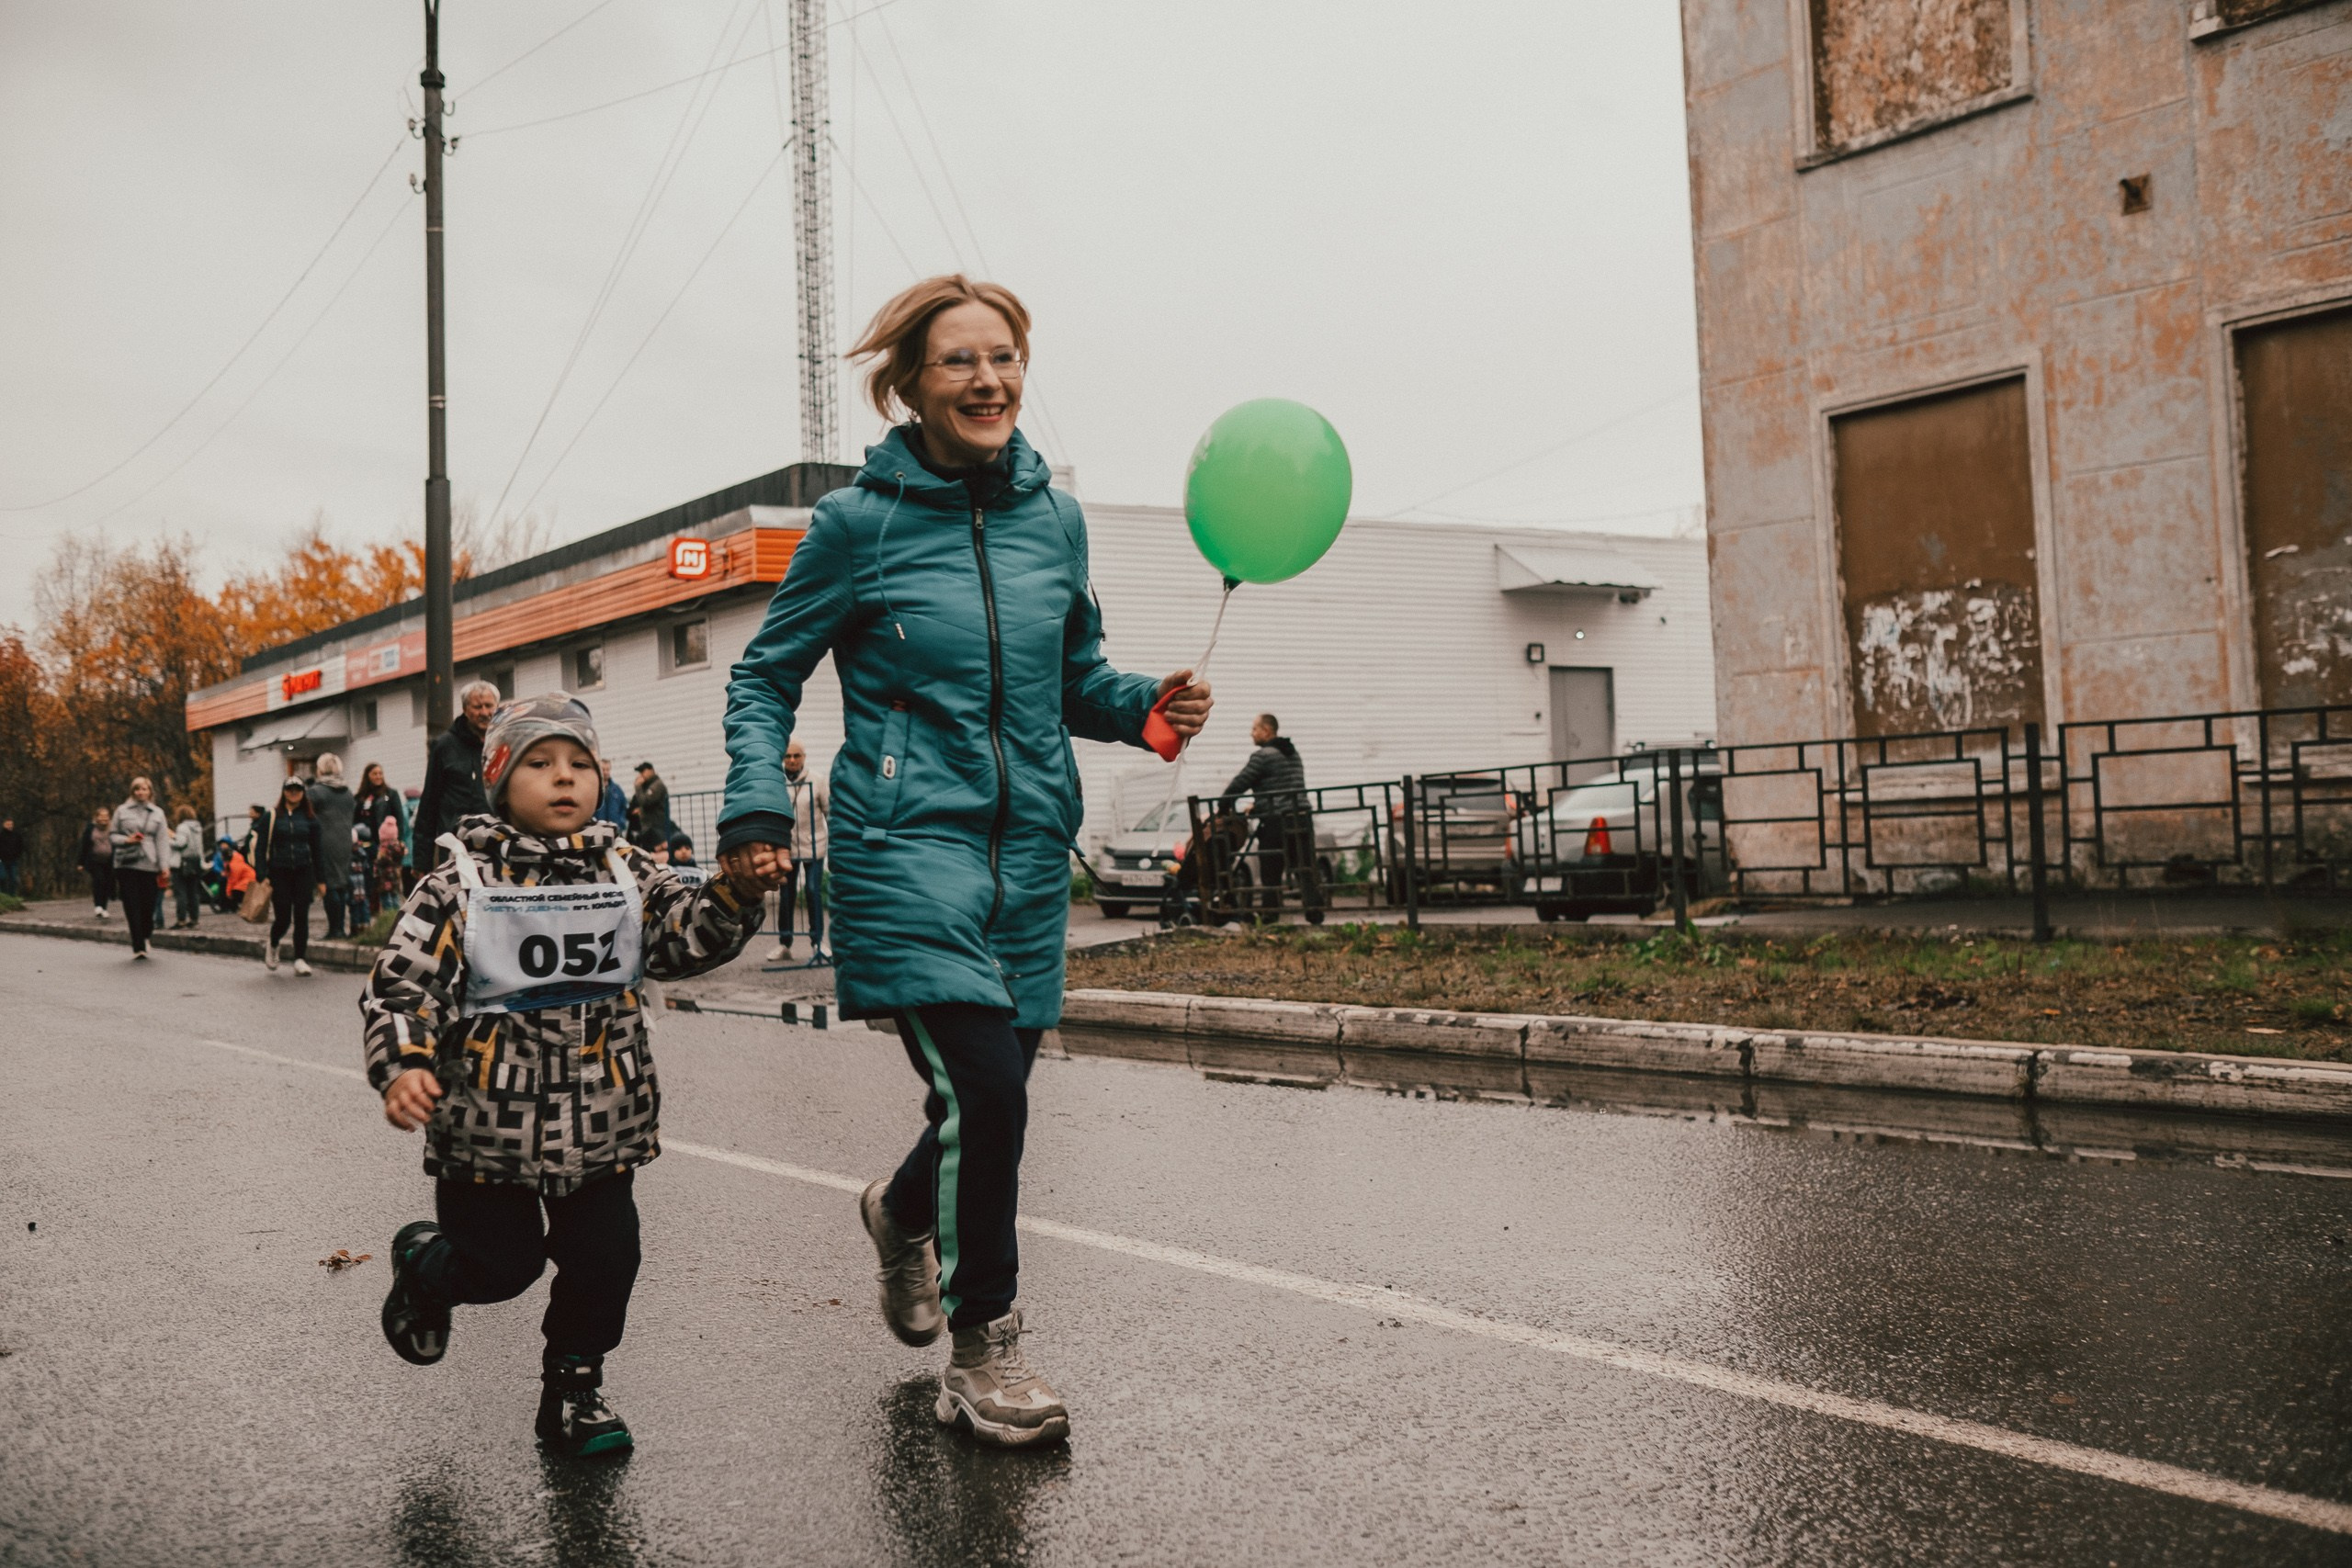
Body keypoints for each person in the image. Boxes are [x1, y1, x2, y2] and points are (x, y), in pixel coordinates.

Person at [717, 274, 1213, 1449]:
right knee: (983, 1088)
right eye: (959, 363)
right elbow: (760, 675)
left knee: (994, 1095)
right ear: (910, 386)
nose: (987, 381)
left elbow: (1073, 676)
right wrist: (755, 810)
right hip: (904, 846)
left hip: (1029, 849)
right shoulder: (855, 526)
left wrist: (1149, 707)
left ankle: (901, 1212)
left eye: (1003, 358)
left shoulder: (1056, 519)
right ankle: (986, 1347)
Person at [365, 694, 763, 1457]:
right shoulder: (458, 882)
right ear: (499, 779)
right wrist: (406, 1060)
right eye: (541, 763)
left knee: (607, 1258)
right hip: (488, 1128)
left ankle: (574, 1389)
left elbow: (684, 937)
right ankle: (427, 1263)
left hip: (603, 1119)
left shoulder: (626, 869)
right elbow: (401, 986)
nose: (564, 778)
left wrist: (735, 893)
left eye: (580, 763)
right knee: (501, 1266)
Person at [1221, 713, 1324, 924]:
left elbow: (1239, 783)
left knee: (1270, 866)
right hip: (1301, 815)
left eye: (1254, 729)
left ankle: (1270, 913)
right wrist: (1258, 805)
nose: (1252, 734)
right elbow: (1283, 788)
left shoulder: (1263, 756)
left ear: (1266, 731)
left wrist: (1223, 804)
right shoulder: (1292, 753)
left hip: (1277, 820)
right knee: (1304, 867)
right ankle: (1315, 912)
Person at [414, 681, 500, 870]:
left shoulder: (504, 743)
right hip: (458, 849)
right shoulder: (445, 746)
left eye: (489, 706)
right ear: (465, 709)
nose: (484, 713)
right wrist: (421, 862)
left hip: (498, 846)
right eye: (477, 707)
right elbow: (429, 804)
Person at [763, 740, 830, 965]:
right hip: (787, 848)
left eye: (797, 756)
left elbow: (829, 811)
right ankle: (785, 944)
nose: (792, 760)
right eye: (788, 756)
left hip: (814, 846)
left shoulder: (818, 780)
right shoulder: (777, 782)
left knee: (812, 890)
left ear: (804, 757)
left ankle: (817, 943)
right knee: (786, 895)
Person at [253, 775, 323, 975]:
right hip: (279, 872)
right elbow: (260, 848)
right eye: (290, 789)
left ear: (303, 793)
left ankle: (300, 959)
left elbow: (318, 850)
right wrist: (261, 874)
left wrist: (321, 879)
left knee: (302, 916)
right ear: (284, 792)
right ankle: (274, 943)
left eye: (298, 789)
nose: (294, 793)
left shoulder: (310, 819)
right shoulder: (272, 816)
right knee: (283, 917)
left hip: (303, 872)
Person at [109, 778, 171, 960]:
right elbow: (112, 835)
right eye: (137, 789)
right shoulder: (121, 811)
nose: (140, 792)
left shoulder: (158, 813)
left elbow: (162, 841)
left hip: (150, 863)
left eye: (144, 789)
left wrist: (164, 866)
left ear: (150, 792)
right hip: (126, 863)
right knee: (131, 904)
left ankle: (146, 934)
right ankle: (138, 945)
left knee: (148, 905)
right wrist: (126, 840)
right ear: (132, 791)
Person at [309, 754, 358, 941]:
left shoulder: (315, 792)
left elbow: (307, 816)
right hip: (345, 841)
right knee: (341, 884)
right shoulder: (347, 792)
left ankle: (335, 929)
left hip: (324, 842)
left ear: (320, 769)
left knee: (328, 884)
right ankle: (340, 927)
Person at [355, 762, 410, 919]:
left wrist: (397, 842)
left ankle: (392, 915)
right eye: (374, 774)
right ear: (368, 776)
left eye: (380, 773)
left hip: (387, 846)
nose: (378, 776)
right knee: (371, 879)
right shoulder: (361, 798)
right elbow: (356, 820)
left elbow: (399, 818)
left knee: (388, 881)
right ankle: (373, 913)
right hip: (368, 844)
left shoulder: (391, 794)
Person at [169, 805, 206, 929]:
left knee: (181, 893)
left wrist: (168, 840)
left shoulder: (182, 827)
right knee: (193, 892)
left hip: (182, 863)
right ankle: (194, 918)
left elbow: (180, 843)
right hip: (195, 862)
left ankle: (181, 920)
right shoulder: (197, 828)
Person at [627, 763, 670, 851]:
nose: (641, 774)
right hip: (649, 828)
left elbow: (645, 802)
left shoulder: (657, 785)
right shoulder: (648, 785)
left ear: (651, 770)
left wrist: (638, 786)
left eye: (643, 771)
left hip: (656, 827)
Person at [81, 807, 114, 919]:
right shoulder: (91, 828)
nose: (104, 818)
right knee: (99, 880)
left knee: (106, 883)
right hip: (94, 860)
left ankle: (104, 907)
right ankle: (98, 905)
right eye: (101, 816)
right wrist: (80, 862)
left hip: (109, 861)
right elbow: (84, 845)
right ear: (96, 817)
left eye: (106, 816)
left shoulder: (113, 828)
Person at [593, 757, 630, 833]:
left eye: (608, 769)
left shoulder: (616, 789)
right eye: (603, 769)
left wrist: (621, 823)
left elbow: (624, 807)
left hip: (615, 830)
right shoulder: (594, 789)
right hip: (597, 831)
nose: (606, 772)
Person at [0, 817, 23, 896]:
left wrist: (17, 856)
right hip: (2, 861)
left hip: (13, 860)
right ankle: (3, 895)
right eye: (8, 824)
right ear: (4, 825)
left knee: (13, 879)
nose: (10, 826)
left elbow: (20, 846)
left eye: (11, 824)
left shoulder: (17, 835)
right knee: (2, 878)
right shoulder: (1, 835)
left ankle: (12, 896)